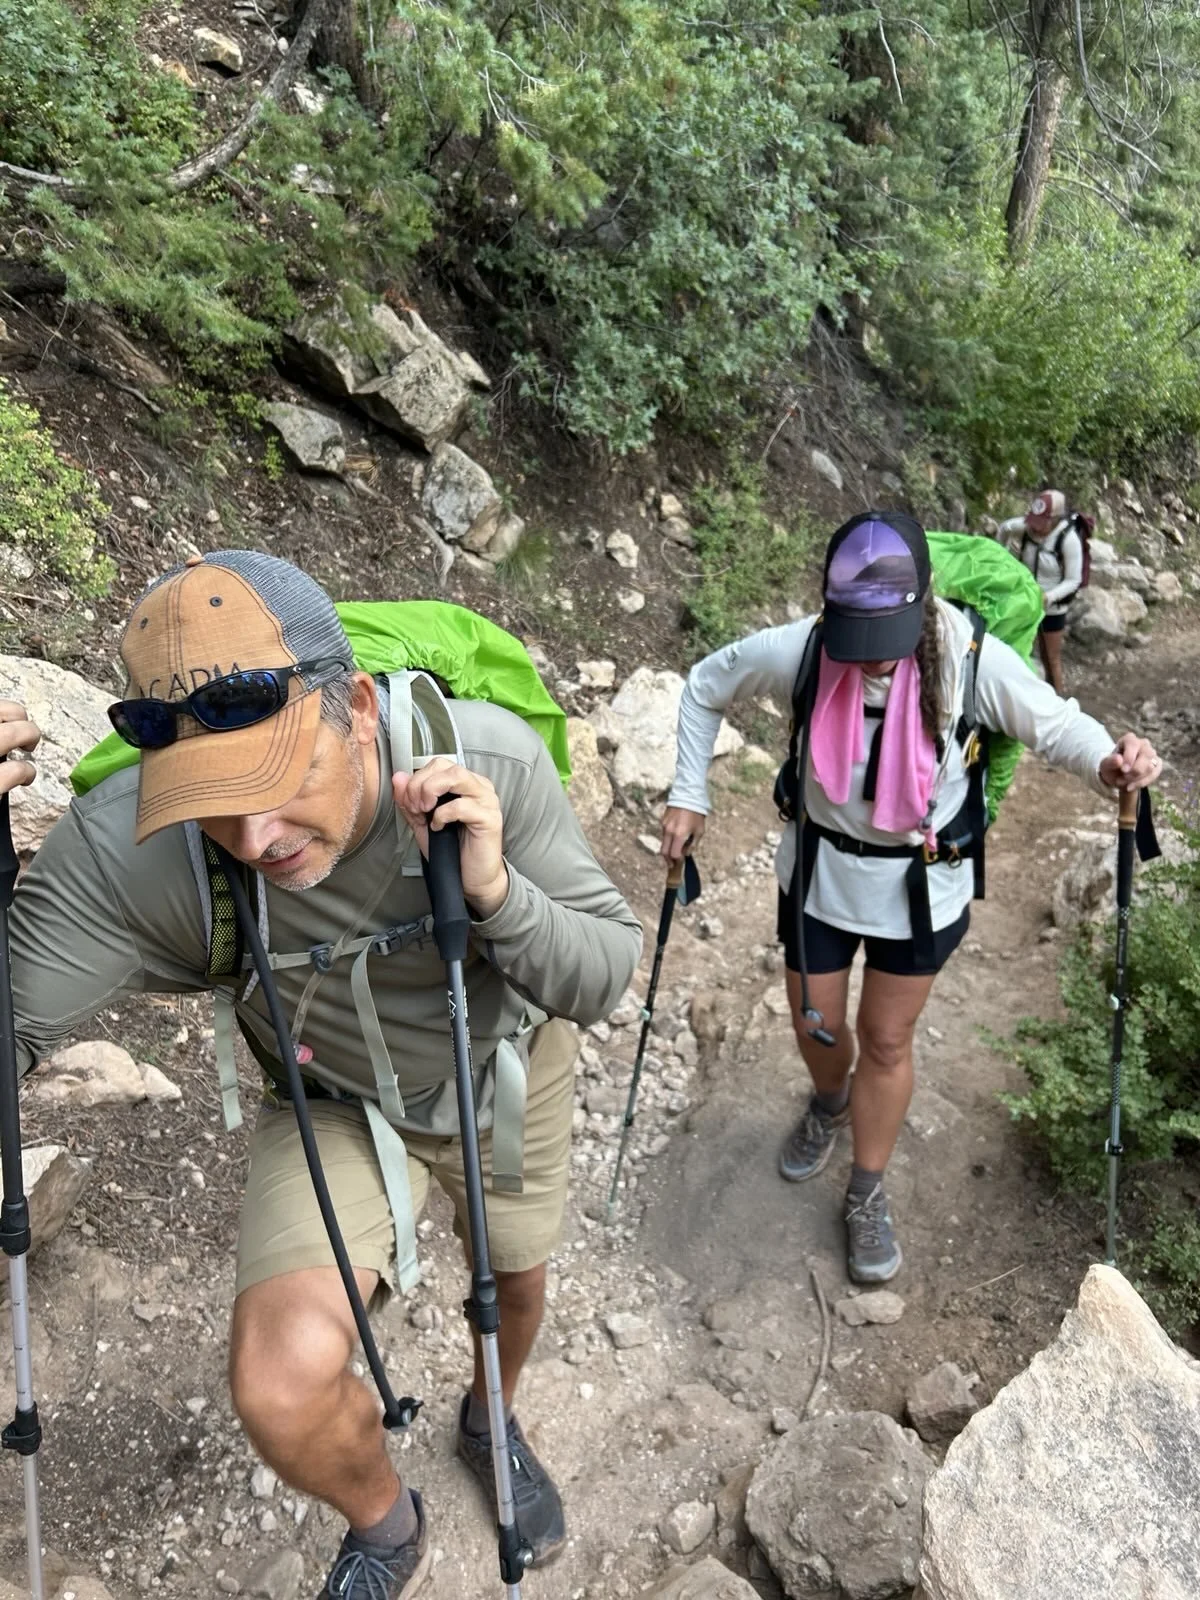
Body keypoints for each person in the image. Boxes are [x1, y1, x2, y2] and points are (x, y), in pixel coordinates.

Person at [0, 550, 642, 1599]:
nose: (256, 840)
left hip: (501, 1064)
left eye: (281, 776)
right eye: (214, 800)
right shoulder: (129, 852)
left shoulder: (489, 764)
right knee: (280, 1383)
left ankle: (491, 1413)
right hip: (329, 1098)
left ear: (355, 706)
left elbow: (603, 973)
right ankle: (389, 1523)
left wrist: (499, 895)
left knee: (513, 1279)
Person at [660, 512, 1159, 1286]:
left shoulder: (969, 660)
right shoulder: (807, 644)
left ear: (922, 606)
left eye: (883, 643)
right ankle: (828, 1102)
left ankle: (866, 1188)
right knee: (814, 1020)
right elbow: (704, 685)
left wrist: (1110, 759)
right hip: (820, 876)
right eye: (853, 641)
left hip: (922, 886)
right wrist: (688, 795)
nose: (867, 664)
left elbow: (1055, 725)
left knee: (886, 1039)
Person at [999, 488, 1085, 695]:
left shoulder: (1068, 539)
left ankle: (1058, 703)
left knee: (1050, 659)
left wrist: (1049, 597)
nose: (1034, 529)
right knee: (1016, 651)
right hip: (1025, 601)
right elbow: (1004, 527)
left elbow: (1074, 580)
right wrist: (1002, 554)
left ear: (1054, 519)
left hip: (1052, 607)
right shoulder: (1025, 528)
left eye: (1040, 523)